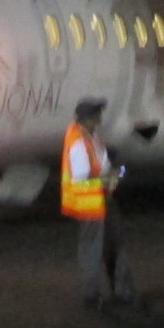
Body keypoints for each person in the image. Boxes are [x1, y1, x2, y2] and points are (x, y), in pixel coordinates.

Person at [61, 98, 140, 310]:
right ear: (88, 118)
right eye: (97, 114)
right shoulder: (78, 140)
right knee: (92, 250)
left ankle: (122, 291)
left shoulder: (92, 135)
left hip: (102, 199)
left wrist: (111, 173)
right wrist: (109, 177)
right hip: (91, 204)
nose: (100, 117)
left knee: (114, 245)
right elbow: (81, 177)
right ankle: (92, 295)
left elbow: (101, 163)